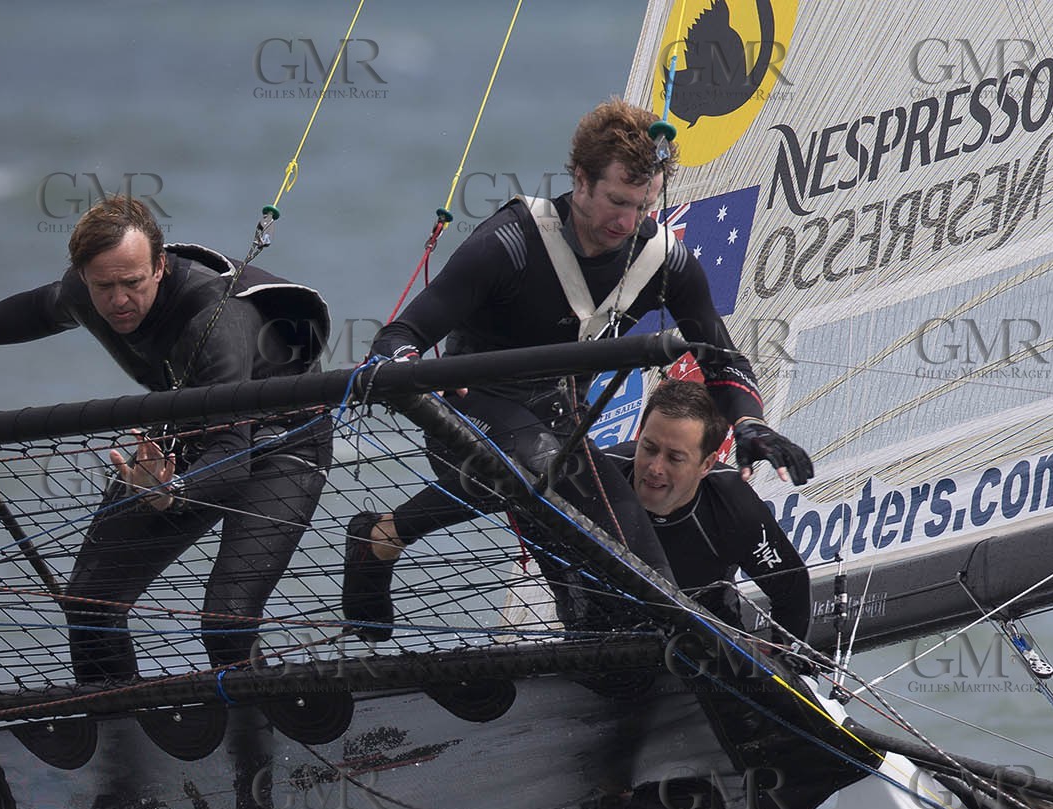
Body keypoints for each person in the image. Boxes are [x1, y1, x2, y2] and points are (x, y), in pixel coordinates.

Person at [342, 98, 812, 640]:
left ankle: (614, 658)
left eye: (644, 206)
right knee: (544, 470)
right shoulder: (511, 242)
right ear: (582, 180)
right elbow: (398, 337)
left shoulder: (662, 259)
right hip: (470, 421)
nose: (627, 222)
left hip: (561, 428)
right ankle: (382, 537)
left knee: (643, 581)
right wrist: (411, 372)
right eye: (617, 201)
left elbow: (722, 360)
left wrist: (748, 422)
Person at [0, 195, 332, 685]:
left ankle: (262, 725)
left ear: (159, 268)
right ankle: (117, 728)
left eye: (132, 283)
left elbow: (231, 457)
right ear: (83, 276)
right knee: (90, 605)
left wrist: (169, 493)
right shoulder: (84, 291)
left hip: (286, 439)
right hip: (198, 423)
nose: (118, 301)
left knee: (225, 619)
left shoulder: (214, 319)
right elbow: (39, 310)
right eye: (103, 286)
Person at [606, 379, 809, 643]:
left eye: (675, 458)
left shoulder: (734, 507)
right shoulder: (599, 475)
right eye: (649, 448)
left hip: (705, 646)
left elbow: (792, 589)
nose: (655, 468)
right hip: (598, 643)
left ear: (706, 464)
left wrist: (787, 658)